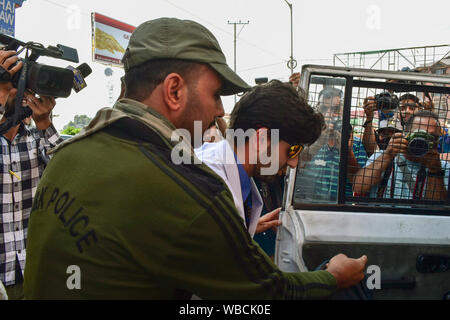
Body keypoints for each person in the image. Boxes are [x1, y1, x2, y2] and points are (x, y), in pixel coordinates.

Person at [24, 17, 366, 299]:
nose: (220, 109)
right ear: (174, 91)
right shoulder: (188, 189)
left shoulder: (69, 154)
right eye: (215, 94)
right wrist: (332, 277)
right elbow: (267, 295)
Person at [195, 80, 317, 238]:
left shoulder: (227, 174)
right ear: (261, 139)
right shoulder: (210, 187)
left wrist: (244, 229)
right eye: (292, 151)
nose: (293, 163)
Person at [0, 50, 61, 300]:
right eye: (8, 83)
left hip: (35, 272)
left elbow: (68, 172)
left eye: (21, 84)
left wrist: (45, 123)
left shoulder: (38, 138)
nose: (17, 91)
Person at [353, 110, 449, 200]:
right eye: (420, 134)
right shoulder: (381, 156)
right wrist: (387, 155)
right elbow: (358, 188)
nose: (424, 141)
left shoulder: (443, 167)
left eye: (432, 137)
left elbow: (436, 207)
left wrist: (435, 169)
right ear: (406, 135)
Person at [296, 87, 367, 202]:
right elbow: (297, 166)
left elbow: (357, 183)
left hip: (340, 210)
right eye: (324, 109)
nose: (328, 114)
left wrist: (347, 152)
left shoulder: (356, 144)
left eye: (335, 109)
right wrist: (319, 142)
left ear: (344, 112)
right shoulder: (305, 138)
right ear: (317, 110)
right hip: (306, 206)